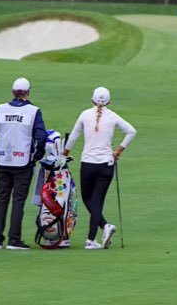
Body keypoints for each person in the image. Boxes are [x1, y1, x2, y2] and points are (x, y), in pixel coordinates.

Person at [62, 87, 136, 250]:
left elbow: (74, 136)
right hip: (106, 165)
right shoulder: (112, 116)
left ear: (92, 100)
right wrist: (118, 151)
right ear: (109, 102)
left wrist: (64, 153)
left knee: (89, 199)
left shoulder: (84, 114)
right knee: (96, 201)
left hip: (87, 163)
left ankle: (92, 238)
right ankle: (103, 228)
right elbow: (131, 131)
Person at [0, 77, 48, 250]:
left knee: (1, 199)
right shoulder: (33, 111)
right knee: (18, 200)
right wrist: (37, 155)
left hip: (2, 160)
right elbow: (41, 136)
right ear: (28, 92)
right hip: (23, 162)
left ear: (13, 92)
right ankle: (14, 240)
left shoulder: (0, 109)